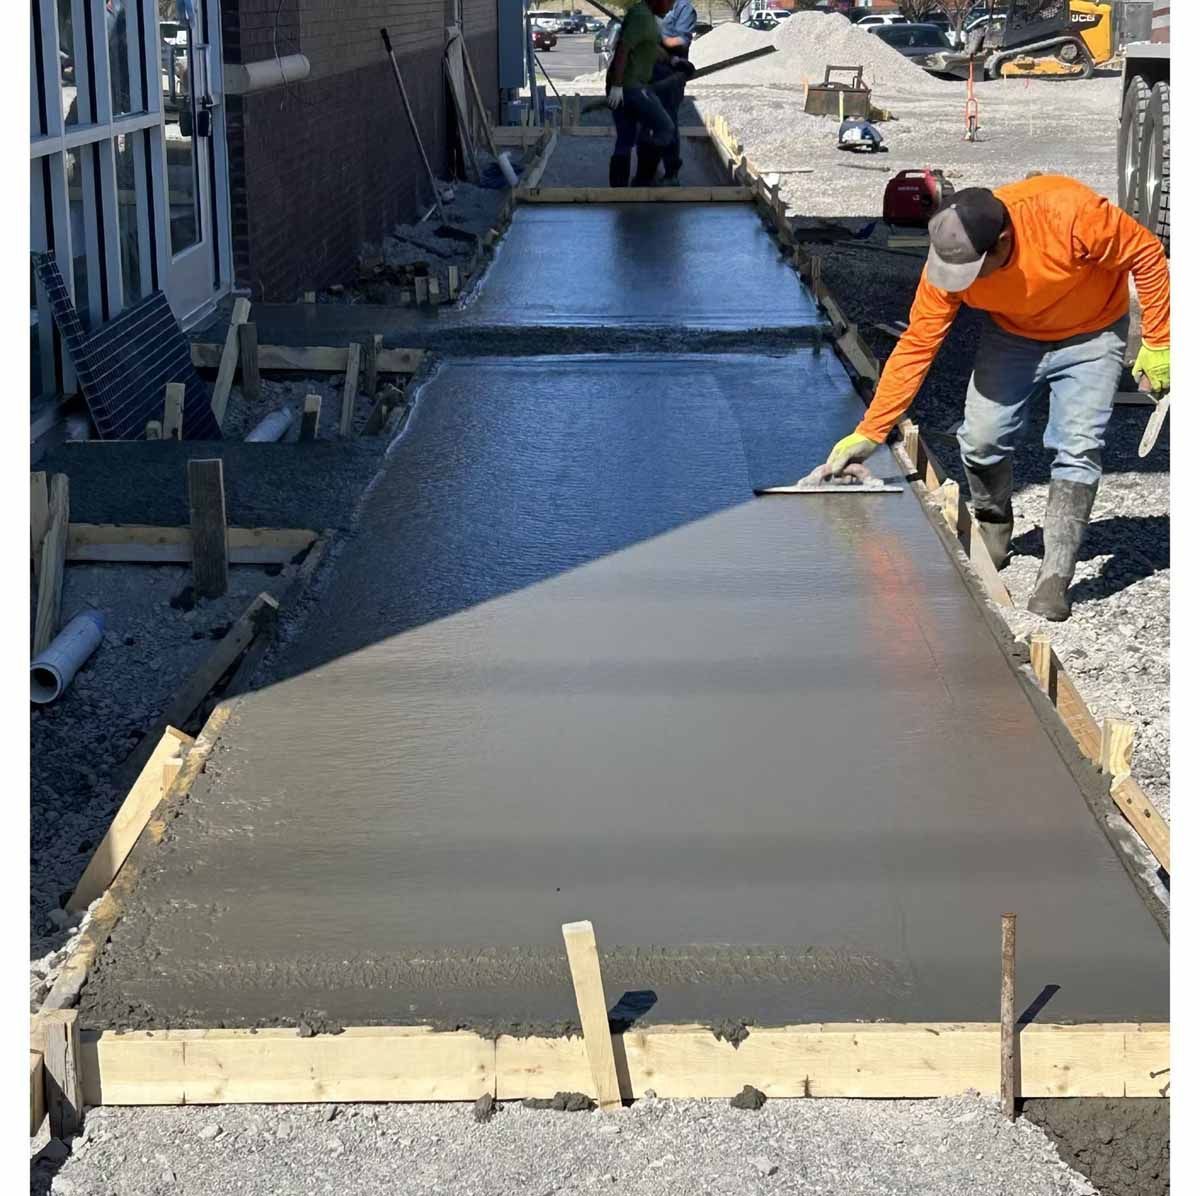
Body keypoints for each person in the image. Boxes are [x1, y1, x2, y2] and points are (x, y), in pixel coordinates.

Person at [822, 176, 1170, 622]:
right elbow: (917, 344)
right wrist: (871, 431)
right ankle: (993, 527)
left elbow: (1145, 253)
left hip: (1092, 332)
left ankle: (1055, 574)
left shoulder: (1067, 213)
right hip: (1014, 335)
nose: (959, 282)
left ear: (1003, 241)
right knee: (981, 439)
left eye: (972, 271)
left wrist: (1159, 341)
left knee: (1078, 444)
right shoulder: (950, 259)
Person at [606, 0, 677, 188]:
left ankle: (618, 191)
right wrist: (617, 85)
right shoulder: (642, 17)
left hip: (626, 85)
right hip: (631, 86)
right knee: (665, 128)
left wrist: (673, 61)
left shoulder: (645, 15)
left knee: (625, 139)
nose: (671, 7)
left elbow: (649, 46)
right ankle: (643, 180)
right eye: (670, 2)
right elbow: (623, 49)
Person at [648, 0, 698, 186]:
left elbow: (682, 41)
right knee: (646, 123)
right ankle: (648, 171)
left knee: (667, 121)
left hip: (670, 74)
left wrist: (660, 41)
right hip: (647, 72)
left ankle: (671, 173)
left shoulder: (683, 8)